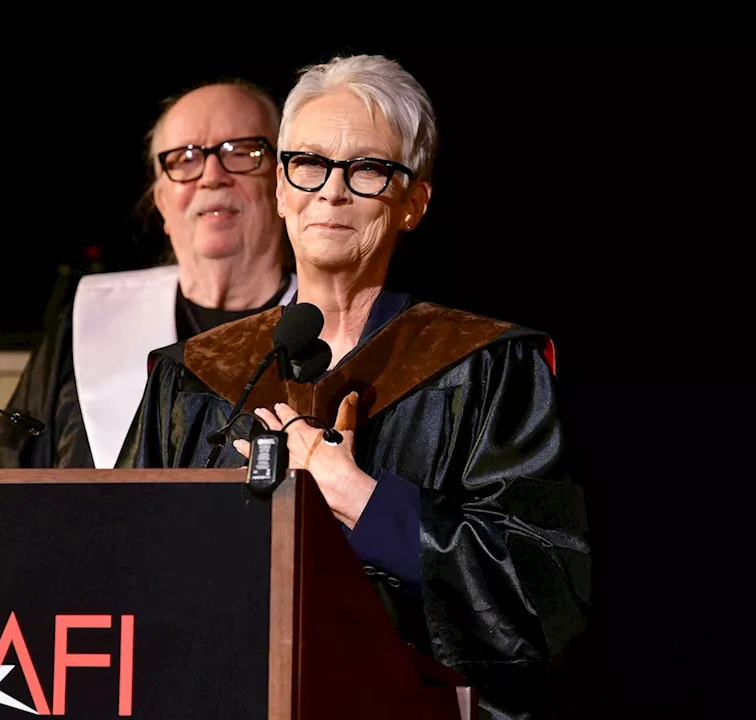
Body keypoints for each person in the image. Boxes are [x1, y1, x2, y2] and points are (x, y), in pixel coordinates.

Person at [116, 55, 590, 718]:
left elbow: (546, 602)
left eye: (367, 169)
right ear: (281, 189)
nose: (331, 192)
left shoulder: (487, 368)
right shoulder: (192, 376)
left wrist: (362, 501)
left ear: (413, 204)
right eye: (307, 163)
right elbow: (119, 574)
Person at [0, 79, 297, 470]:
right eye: (184, 159)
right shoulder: (90, 318)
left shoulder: (324, 328)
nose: (212, 176)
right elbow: (1, 485)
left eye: (243, 151)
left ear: (282, 183)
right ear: (161, 201)